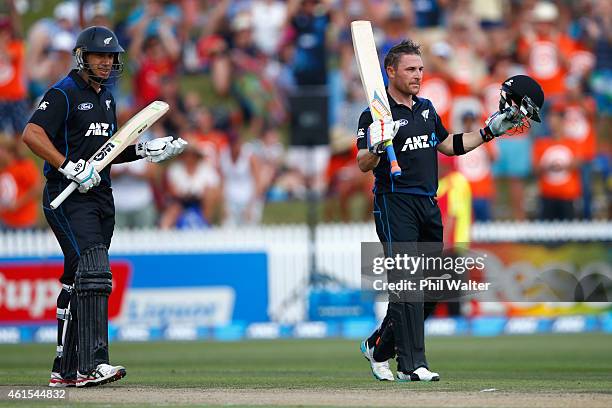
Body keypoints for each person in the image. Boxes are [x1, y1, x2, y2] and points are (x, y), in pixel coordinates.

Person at [356, 40, 543, 382]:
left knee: (436, 285)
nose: (418, 76)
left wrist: (489, 131)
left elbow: (448, 145)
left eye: (421, 69)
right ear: (391, 71)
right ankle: (413, 365)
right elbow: (362, 163)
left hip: (428, 203)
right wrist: (377, 145)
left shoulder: (426, 108)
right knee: (407, 284)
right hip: (394, 200)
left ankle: (378, 347)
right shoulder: (374, 114)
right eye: (410, 69)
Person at [21, 26, 187, 388]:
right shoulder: (63, 93)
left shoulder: (107, 99)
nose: (107, 62)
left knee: (78, 277)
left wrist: (144, 151)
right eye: (100, 55)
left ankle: (64, 370)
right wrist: (68, 166)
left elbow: (107, 152)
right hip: (67, 195)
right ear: (82, 57)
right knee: (95, 270)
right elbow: (32, 134)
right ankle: (92, 364)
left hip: (100, 196)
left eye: (112, 56)